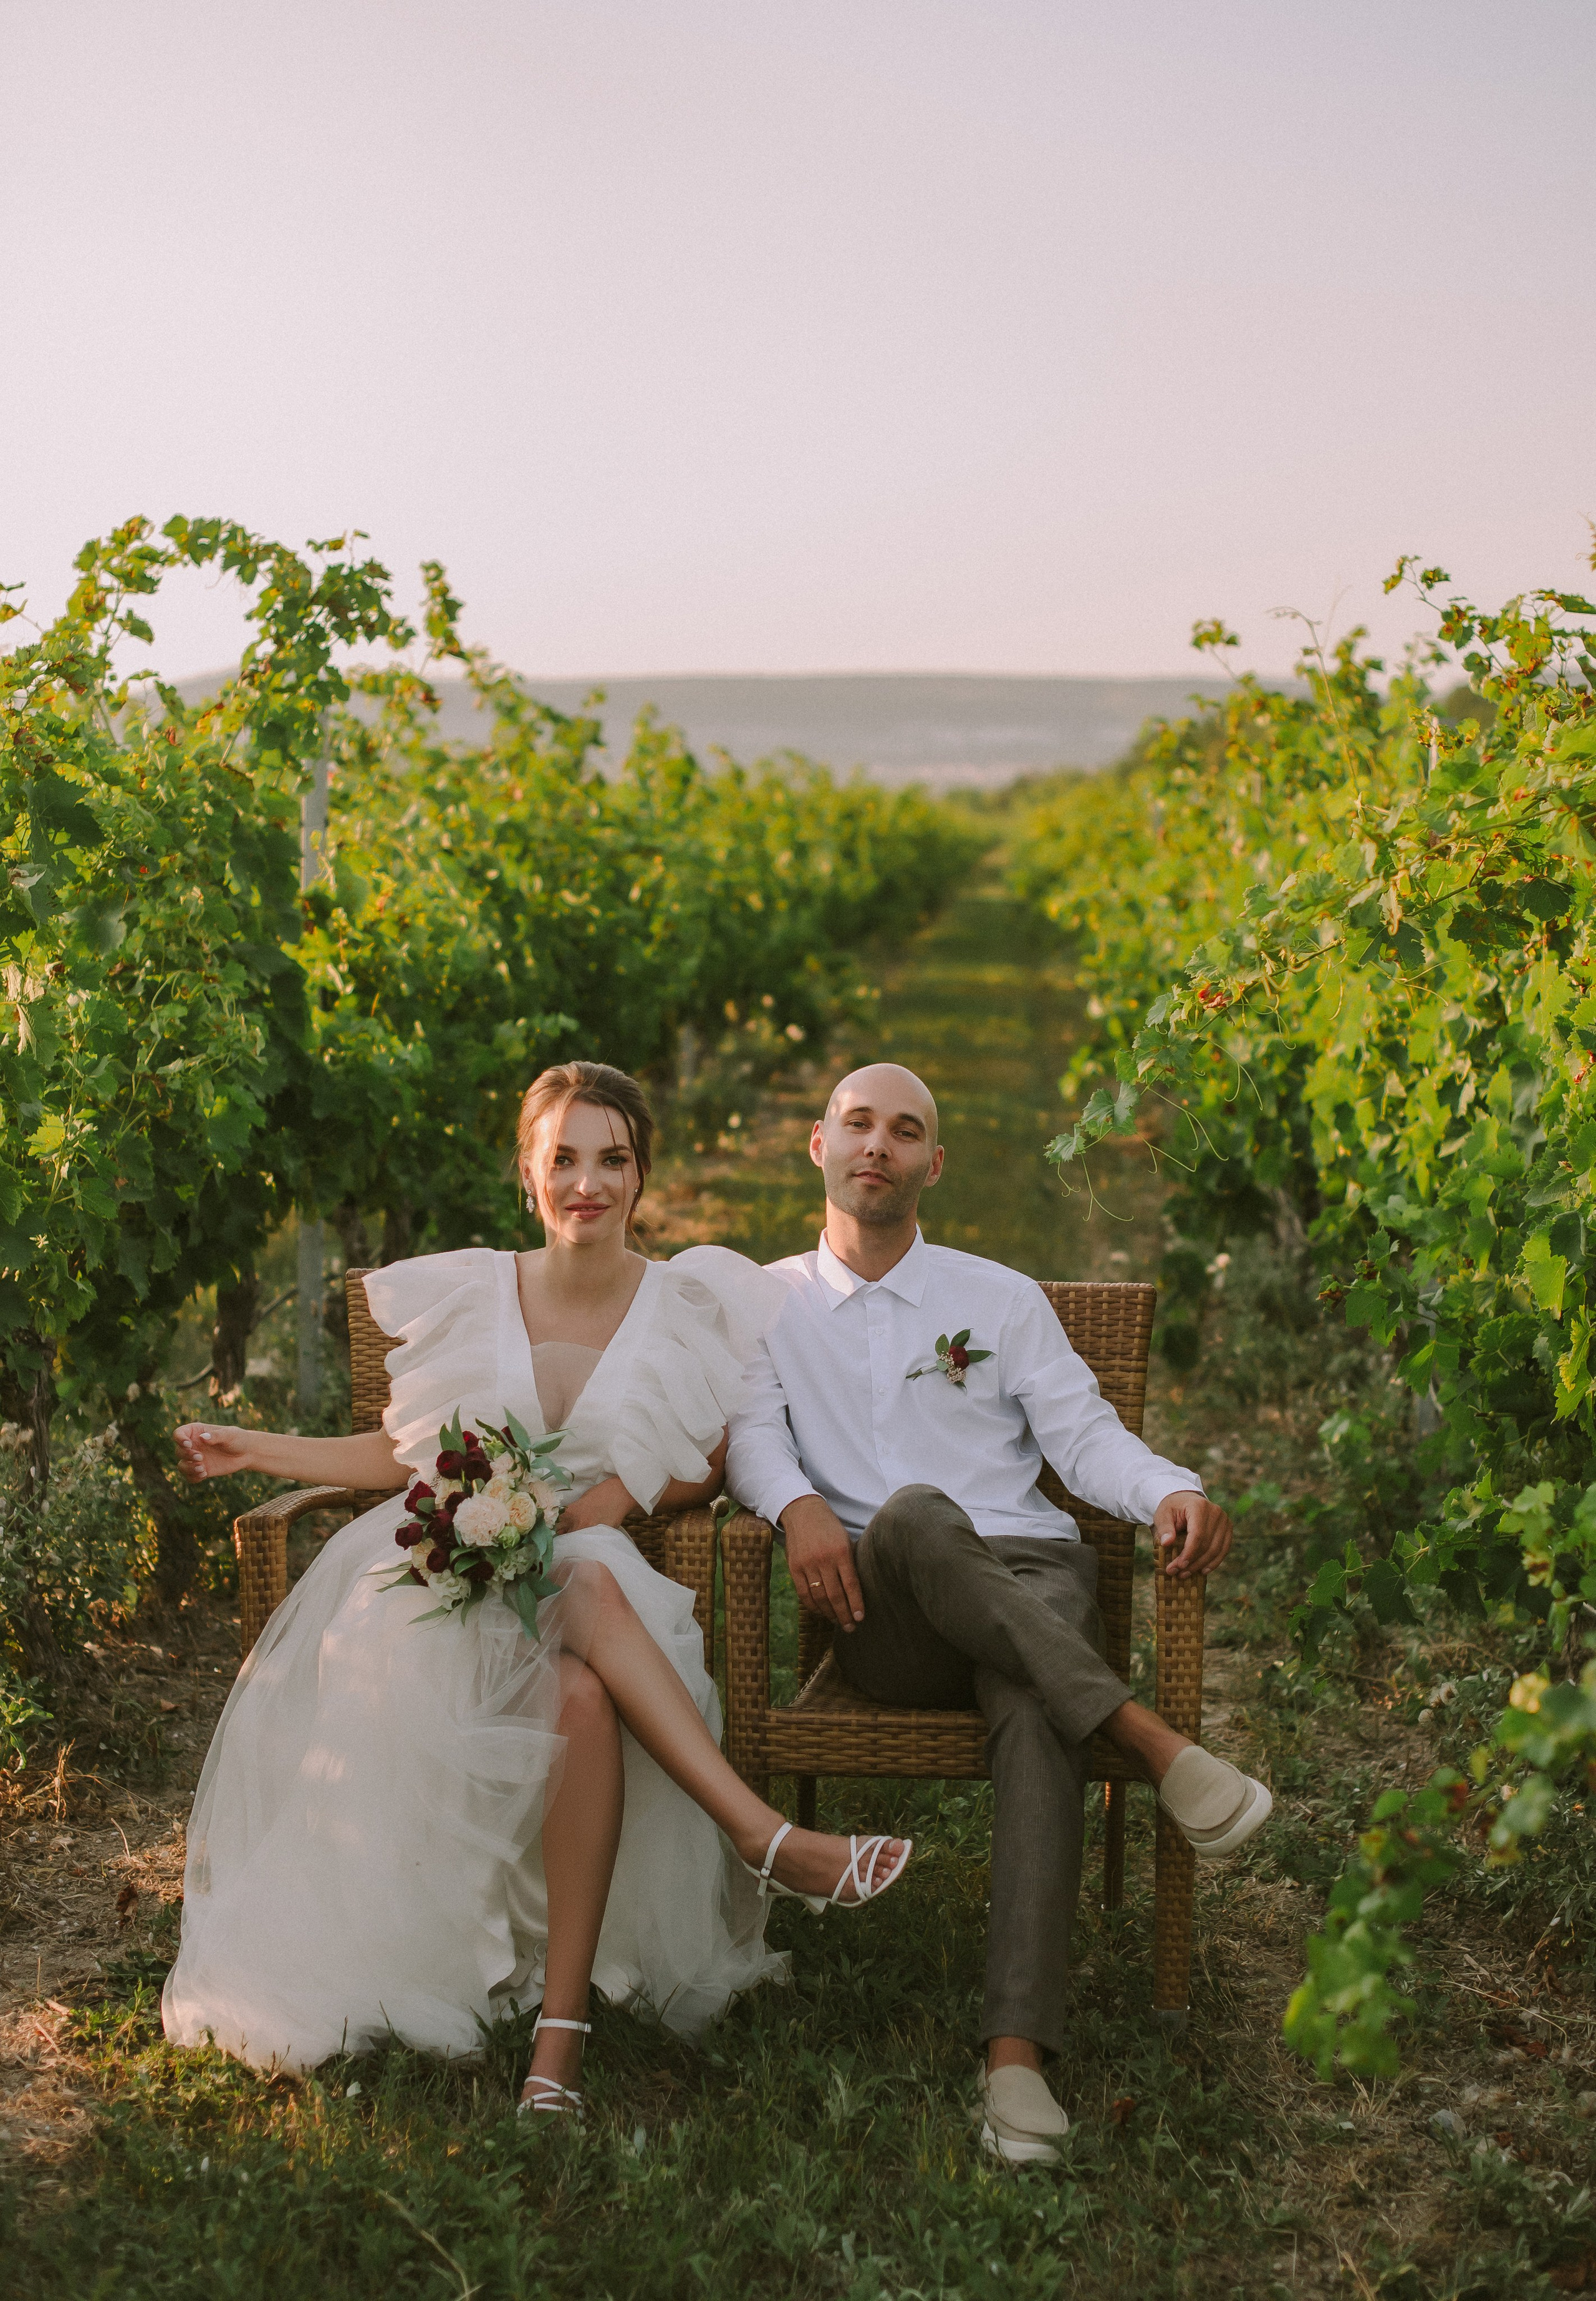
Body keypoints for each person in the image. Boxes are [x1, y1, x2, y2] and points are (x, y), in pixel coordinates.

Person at [161, 1061, 911, 2115]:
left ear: (642, 1176)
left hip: (582, 1576)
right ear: (529, 1172)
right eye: (563, 1157)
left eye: (612, 1158)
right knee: (584, 1604)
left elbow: (702, 1454)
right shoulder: (475, 1291)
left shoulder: (682, 1299)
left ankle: (558, 2039)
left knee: (584, 1673)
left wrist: (601, 1500)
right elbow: (408, 1454)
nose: (587, 1182)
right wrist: (258, 1449)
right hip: (443, 1587)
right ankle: (759, 1833)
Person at [726, 1062, 1271, 2166]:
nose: (880, 1144)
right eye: (859, 1123)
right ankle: (1149, 1738)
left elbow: (1082, 1437)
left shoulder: (998, 1298)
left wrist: (1170, 1485)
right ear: (819, 1147)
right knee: (921, 1514)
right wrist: (794, 1507)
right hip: (888, 1603)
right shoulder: (762, 1302)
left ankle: (1014, 2061)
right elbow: (749, 1433)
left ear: (936, 1164)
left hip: (1033, 1575)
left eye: (907, 1130)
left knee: (1032, 1691)